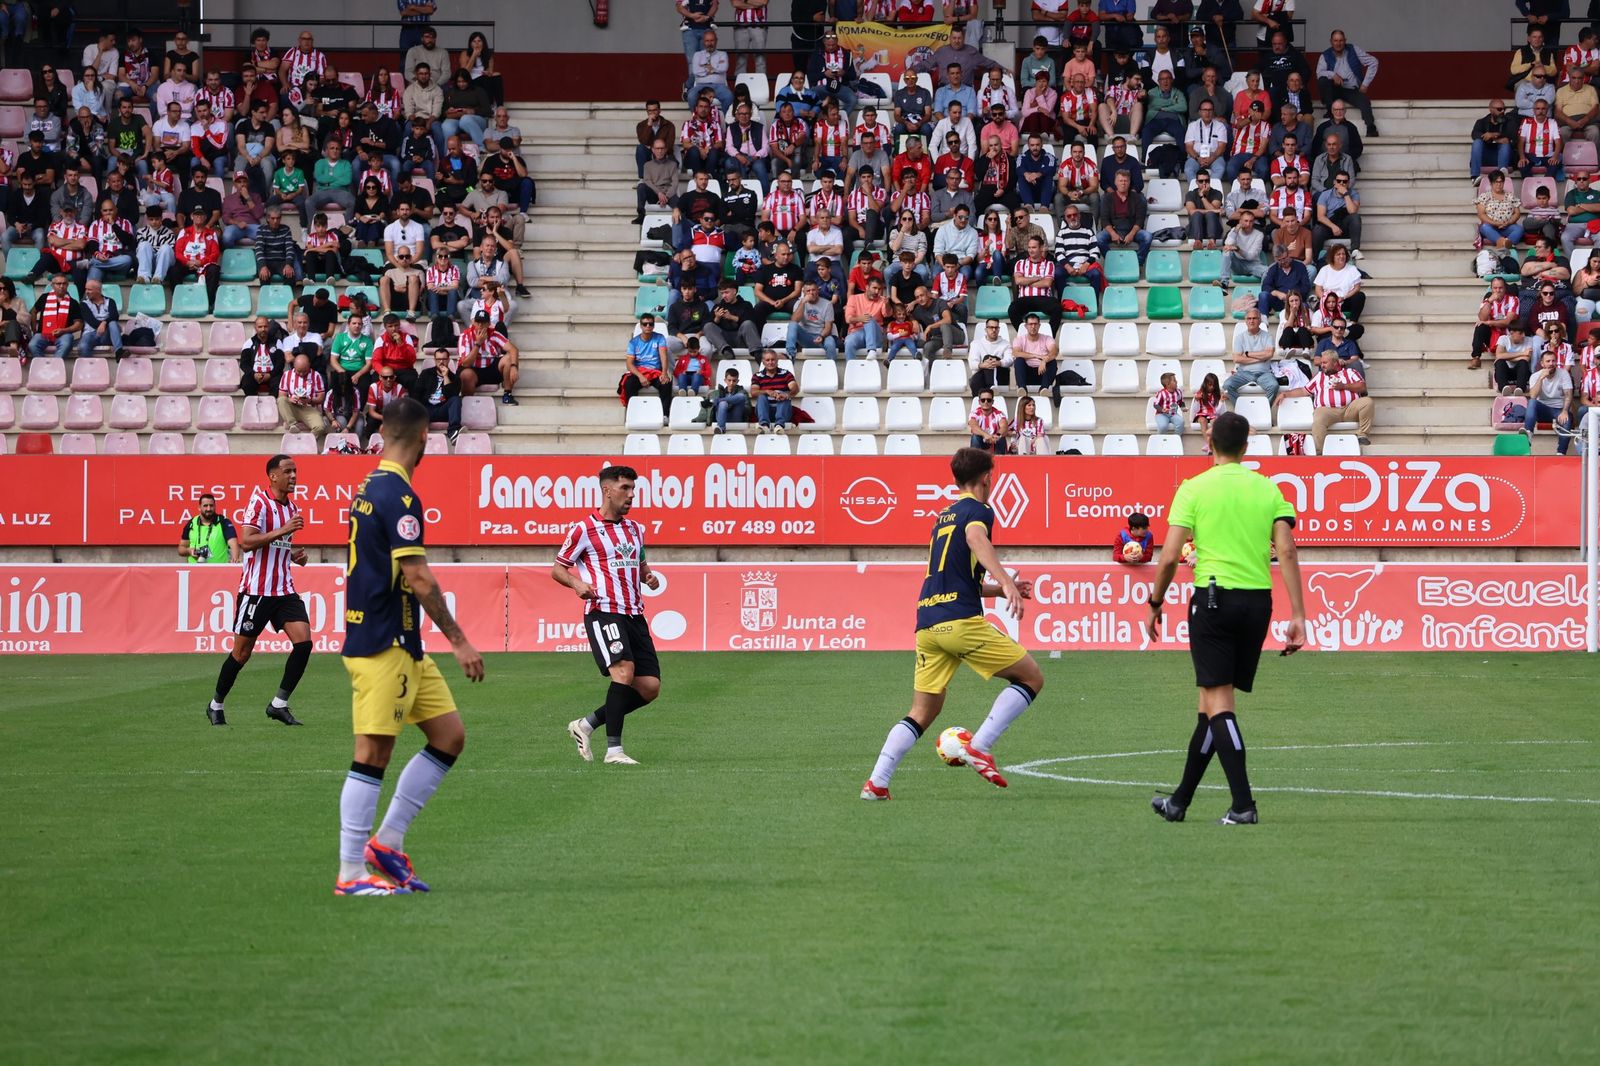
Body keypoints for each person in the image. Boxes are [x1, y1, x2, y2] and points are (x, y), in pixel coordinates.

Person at [334, 398, 484, 896]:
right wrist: (460, 642)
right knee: (372, 751)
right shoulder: (397, 495)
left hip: (404, 642)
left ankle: (389, 843)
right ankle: (351, 873)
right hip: (382, 642)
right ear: (424, 439)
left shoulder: (368, 487)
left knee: (449, 736)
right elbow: (418, 576)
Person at [1146, 410, 1305, 826]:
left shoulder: (1194, 488)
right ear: (1246, 448)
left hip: (1214, 602)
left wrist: (1155, 601)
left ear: (1210, 443)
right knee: (1208, 706)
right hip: (1258, 603)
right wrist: (1299, 614)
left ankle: (1243, 804)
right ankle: (1179, 801)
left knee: (1219, 706)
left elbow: (1166, 556)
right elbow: (1286, 552)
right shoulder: (1269, 489)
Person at [860, 446, 1040, 800]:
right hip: (959, 621)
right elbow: (977, 539)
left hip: (928, 622)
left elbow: (958, 575)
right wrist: (1005, 580)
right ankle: (981, 745)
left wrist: (997, 592)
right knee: (1031, 677)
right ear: (988, 476)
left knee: (924, 710)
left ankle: (877, 783)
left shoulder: (943, 516)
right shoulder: (979, 510)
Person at [555, 466, 663, 767]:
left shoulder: (635, 530)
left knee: (650, 687)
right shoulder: (584, 530)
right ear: (607, 490)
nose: (631, 495)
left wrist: (648, 576)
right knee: (624, 673)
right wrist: (577, 583)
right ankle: (614, 751)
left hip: (634, 615)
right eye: (625, 488)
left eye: (633, 489)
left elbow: (640, 563)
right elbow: (558, 568)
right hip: (604, 612)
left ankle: (586, 724)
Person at [205, 455, 313, 728]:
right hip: (256, 591)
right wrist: (283, 531)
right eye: (287, 471)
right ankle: (215, 704)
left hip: (284, 589)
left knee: (304, 644)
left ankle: (279, 704)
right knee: (241, 654)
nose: (293, 476)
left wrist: (293, 556)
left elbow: (276, 548)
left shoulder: (292, 507)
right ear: (272, 476)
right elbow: (248, 541)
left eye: (295, 471)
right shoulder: (259, 503)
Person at [1315, 29, 1380, 137]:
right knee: (1323, 81)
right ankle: (1330, 110)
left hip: (1351, 89)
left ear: (1345, 41)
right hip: (1334, 90)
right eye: (1335, 41)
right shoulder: (1325, 55)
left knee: (1364, 100)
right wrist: (1333, 75)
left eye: (1341, 40)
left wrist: (1365, 84)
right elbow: (1319, 73)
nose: (1338, 43)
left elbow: (1374, 62)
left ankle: (1371, 127)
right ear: (1331, 41)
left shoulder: (1353, 49)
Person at [1224, 307, 1279, 406]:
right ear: (1245, 321)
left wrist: (1248, 354)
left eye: (1254, 318)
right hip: (1244, 373)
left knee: (1274, 386)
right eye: (1249, 318)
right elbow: (1236, 359)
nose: (1251, 321)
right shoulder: (1239, 338)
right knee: (1227, 385)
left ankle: (1263, 411)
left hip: (1264, 373)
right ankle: (1243, 410)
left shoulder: (1267, 336)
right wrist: (1261, 358)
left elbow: (1269, 354)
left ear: (1260, 320)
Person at [1525, 348, 1576, 450]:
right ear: (1542, 364)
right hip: (1542, 410)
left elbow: (1568, 394)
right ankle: (1528, 434)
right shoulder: (1535, 376)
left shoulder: (1564, 374)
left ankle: (1560, 453)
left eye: (1553, 361)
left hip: (1559, 411)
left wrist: (1565, 411)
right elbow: (1533, 396)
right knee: (1532, 402)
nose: (1551, 363)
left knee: (1567, 420)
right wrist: (1541, 378)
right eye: (1548, 361)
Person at [177, 493, 240, 564]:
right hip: (194, 572)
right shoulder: (191, 523)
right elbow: (181, 549)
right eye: (205, 506)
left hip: (219, 572)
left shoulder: (223, 522)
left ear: (215, 506)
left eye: (211, 505)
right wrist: (189, 551)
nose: (209, 509)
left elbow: (233, 543)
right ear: (199, 507)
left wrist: (235, 560)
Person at [751, 348, 797, 431]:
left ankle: (779, 426)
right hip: (765, 410)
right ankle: (764, 425)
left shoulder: (785, 373)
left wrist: (786, 394)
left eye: (773, 360)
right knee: (761, 396)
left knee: (784, 396)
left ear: (777, 361)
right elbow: (753, 392)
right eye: (767, 360)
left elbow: (795, 389)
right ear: (763, 362)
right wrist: (767, 391)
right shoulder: (757, 376)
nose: (770, 362)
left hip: (782, 410)